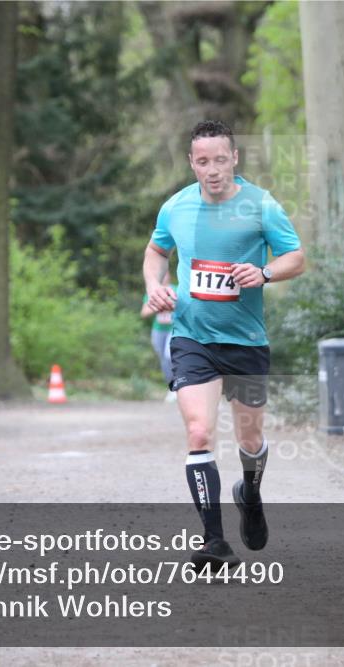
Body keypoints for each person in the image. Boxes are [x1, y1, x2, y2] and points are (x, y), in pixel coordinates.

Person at [142, 120, 305, 571]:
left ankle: (249, 493)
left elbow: (296, 257)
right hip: (193, 335)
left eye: (219, 159)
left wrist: (266, 273)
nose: (211, 169)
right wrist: (154, 285)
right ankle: (214, 541)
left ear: (234, 158)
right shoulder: (175, 207)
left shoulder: (261, 206)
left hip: (246, 340)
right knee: (199, 432)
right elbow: (157, 251)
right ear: (191, 163)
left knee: (249, 438)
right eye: (202, 161)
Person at [140, 272, 179, 402]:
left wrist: (172, 306)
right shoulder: (153, 291)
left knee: (169, 355)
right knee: (163, 358)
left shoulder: (176, 289)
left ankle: (180, 385)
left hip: (174, 329)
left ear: (169, 275)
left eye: (165, 274)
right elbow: (144, 312)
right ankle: (172, 388)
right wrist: (158, 306)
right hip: (159, 330)